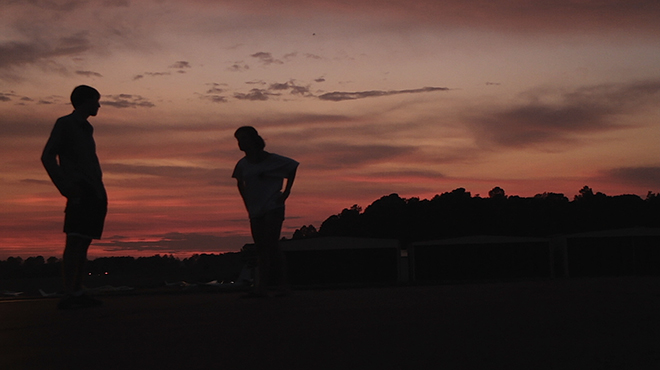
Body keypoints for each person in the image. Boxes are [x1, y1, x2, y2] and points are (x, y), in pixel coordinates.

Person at [42, 85, 107, 309]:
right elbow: (48, 156)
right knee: (75, 239)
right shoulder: (65, 124)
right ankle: (70, 292)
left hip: (94, 190)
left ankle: (78, 290)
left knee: (85, 240)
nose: (98, 105)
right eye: (95, 100)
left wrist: (98, 190)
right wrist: (65, 186)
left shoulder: (87, 128)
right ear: (85, 101)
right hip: (79, 188)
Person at [232, 126, 298, 297]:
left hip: (272, 206)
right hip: (255, 210)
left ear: (254, 140)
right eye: (239, 139)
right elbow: (239, 181)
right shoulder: (242, 164)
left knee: (271, 244)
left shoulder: (273, 160)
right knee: (262, 248)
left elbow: (292, 167)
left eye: (244, 139)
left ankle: (282, 285)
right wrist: (246, 200)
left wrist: (286, 193)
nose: (241, 143)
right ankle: (262, 288)